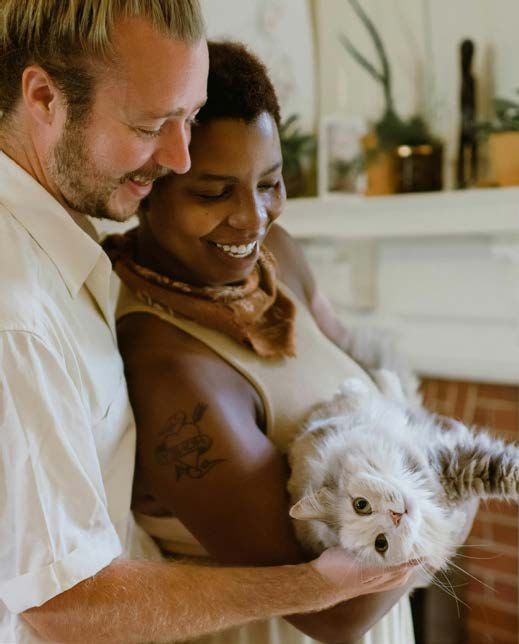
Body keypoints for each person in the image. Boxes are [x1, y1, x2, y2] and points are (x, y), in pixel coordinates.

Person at [0, 3, 413, 642]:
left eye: (188, 118)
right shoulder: (18, 314)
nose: (178, 155)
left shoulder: (71, 247)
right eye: (151, 124)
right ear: (44, 98)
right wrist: (316, 584)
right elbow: (66, 602)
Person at [108, 41, 464, 644]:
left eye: (270, 183)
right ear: (149, 185)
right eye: (214, 192)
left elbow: (353, 356)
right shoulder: (170, 370)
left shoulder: (277, 260)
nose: (253, 217)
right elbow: (332, 613)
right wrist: (454, 482)